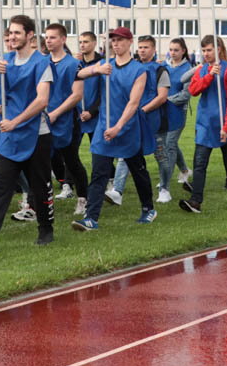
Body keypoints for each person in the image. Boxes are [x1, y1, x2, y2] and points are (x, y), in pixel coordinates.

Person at [0, 15, 55, 251]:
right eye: (10, 33)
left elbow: (42, 100)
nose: (13, 37)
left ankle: (46, 228)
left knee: (40, 184)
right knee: (0, 184)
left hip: (36, 133)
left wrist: (15, 121)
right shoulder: (4, 61)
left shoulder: (41, 62)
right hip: (9, 135)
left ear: (29, 36)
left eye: (18, 33)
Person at [74, 27, 157, 229]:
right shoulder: (105, 65)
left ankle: (148, 208)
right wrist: (97, 69)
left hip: (127, 129)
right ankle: (91, 218)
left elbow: (133, 103)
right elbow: (79, 74)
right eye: (113, 40)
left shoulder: (139, 70)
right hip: (104, 129)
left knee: (138, 171)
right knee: (99, 173)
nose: (116, 44)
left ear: (130, 42)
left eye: (120, 40)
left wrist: (119, 127)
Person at [179, 35, 227, 213]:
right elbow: (193, 90)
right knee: (199, 163)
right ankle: (196, 201)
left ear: (219, 49)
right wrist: (209, 75)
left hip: (225, 123)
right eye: (203, 50)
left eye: (209, 50)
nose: (206, 54)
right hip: (205, 123)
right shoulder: (202, 69)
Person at [109, 35, 169, 205]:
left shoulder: (160, 71)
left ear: (154, 49)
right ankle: (117, 191)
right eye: (140, 47)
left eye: (146, 47)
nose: (142, 50)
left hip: (153, 119)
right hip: (132, 119)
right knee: (125, 153)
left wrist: (142, 110)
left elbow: (162, 97)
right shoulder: (132, 68)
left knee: (161, 157)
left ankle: (164, 188)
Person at [43, 23, 87, 216]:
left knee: (71, 161)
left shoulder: (73, 64)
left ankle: (83, 198)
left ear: (63, 39)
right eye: (46, 37)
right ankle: (43, 200)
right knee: (44, 160)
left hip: (67, 119)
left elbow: (76, 95)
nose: (48, 41)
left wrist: (56, 113)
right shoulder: (43, 62)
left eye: (53, 37)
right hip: (45, 118)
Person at [161, 38, 194, 197]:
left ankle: (165, 181)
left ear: (183, 51)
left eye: (176, 50)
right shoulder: (164, 66)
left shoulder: (188, 69)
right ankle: (185, 170)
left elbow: (186, 94)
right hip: (162, 111)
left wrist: (166, 100)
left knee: (170, 144)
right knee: (169, 143)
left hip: (178, 111)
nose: (173, 53)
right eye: (171, 49)